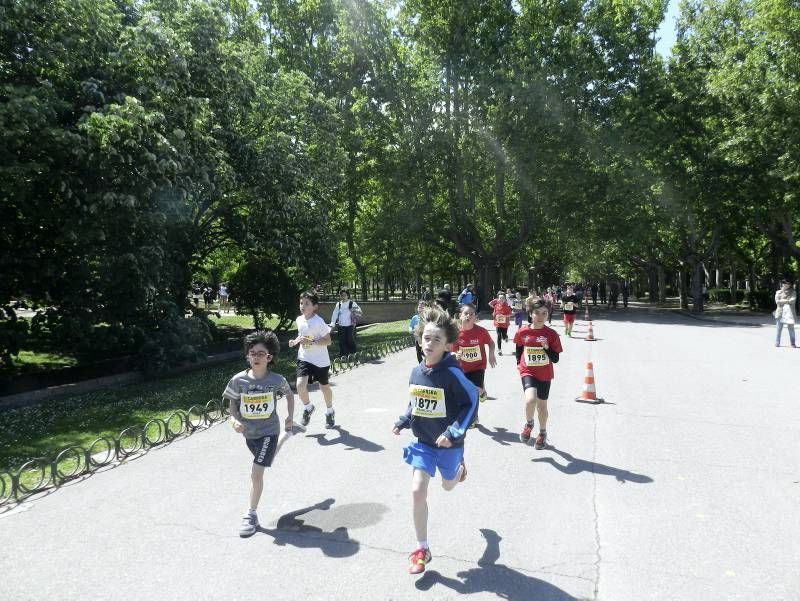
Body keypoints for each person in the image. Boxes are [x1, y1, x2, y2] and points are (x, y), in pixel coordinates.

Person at [392, 306, 478, 575]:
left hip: (450, 444)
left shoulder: (453, 373)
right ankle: (422, 548)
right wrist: (405, 419)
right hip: (424, 443)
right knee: (417, 490)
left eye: (437, 340)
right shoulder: (416, 371)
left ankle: (460, 469)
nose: (430, 344)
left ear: (448, 344)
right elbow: (415, 400)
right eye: (426, 338)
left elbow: (472, 401)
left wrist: (453, 433)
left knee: (449, 485)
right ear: (420, 338)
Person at [224, 330, 295, 537]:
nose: (256, 357)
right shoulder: (238, 381)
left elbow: (290, 395)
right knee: (266, 460)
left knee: (256, 472)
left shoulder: (276, 380)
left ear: (269, 357)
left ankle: (251, 515)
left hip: (268, 431)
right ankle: (288, 435)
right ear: (247, 356)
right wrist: (234, 420)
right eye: (252, 353)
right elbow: (232, 407)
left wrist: (289, 417)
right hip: (250, 434)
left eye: (261, 353)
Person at [514, 299, 563, 449]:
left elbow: (555, 359)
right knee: (530, 400)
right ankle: (529, 424)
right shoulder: (523, 331)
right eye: (537, 313)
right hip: (527, 370)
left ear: (548, 315)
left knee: (542, 407)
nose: (541, 316)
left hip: (544, 373)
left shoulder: (551, 334)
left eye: (544, 313)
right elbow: (519, 348)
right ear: (530, 314)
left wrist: (547, 347)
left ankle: (542, 433)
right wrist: (518, 363)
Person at [289, 291, 336, 428]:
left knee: (324, 387)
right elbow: (302, 335)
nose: (302, 306)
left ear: (314, 306)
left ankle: (329, 411)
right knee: (300, 385)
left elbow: (328, 341)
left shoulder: (318, 321)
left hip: (320, 360)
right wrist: (295, 341)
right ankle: (308, 407)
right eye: (301, 303)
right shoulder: (299, 319)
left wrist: (311, 342)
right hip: (304, 357)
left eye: (307, 303)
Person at [452, 303, 496, 415]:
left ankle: (480, 394)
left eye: (472, 314)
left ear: (475, 317)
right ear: (460, 316)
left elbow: (491, 343)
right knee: (467, 392)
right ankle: (474, 415)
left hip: (478, 366)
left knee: (475, 389)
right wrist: (455, 354)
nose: (469, 316)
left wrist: (491, 354)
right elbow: (452, 349)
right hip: (463, 368)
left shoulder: (481, 331)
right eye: (466, 313)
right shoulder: (456, 334)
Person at [329, 289, 362, 357]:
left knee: (350, 339)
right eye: (341, 295)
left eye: (344, 295)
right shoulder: (339, 304)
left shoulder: (352, 303)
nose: (343, 297)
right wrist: (332, 323)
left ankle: (353, 353)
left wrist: (354, 310)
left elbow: (360, 312)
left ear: (348, 296)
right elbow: (335, 314)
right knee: (342, 341)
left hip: (350, 325)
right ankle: (344, 355)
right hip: (341, 326)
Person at [774, 279, 797, 347]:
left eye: (788, 283)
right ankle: (777, 342)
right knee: (778, 329)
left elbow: (792, 301)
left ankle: (792, 343)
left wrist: (783, 301)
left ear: (790, 284)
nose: (786, 284)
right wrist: (787, 301)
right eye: (784, 283)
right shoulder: (778, 292)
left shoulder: (793, 292)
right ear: (782, 284)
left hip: (789, 313)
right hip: (780, 312)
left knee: (791, 329)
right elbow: (777, 302)